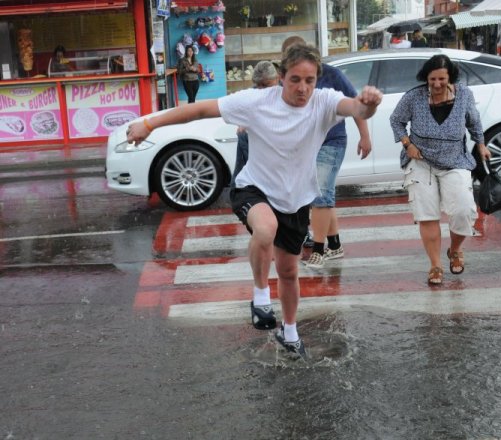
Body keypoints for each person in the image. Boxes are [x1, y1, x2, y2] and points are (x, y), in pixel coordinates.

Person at [127, 43, 383, 358]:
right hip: (253, 189)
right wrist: (149, 124)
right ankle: (260, 297)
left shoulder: (325, 101)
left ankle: (290, 333)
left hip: (296, 199)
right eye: (294, 80)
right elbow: (198, 110)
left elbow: (357, 110)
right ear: (281, 76)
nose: (302, 88)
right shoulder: (256, 102)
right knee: (265, 229)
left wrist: (368, 104)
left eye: (309, 80)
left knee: (289, 271)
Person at [389, 54, 491, 285]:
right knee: (427, 215)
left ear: (450, 78)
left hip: (455, 160)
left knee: (464, 211)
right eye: (432, 79)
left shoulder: (464, 94)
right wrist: (408, 145)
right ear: (426, 77)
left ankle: (454, 249)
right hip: (421, 161)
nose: (436, 84)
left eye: (441, 79)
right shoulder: (413, 97)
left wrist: (481, 145)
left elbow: (473, 121)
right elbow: (396, 120)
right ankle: (435, 265)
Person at [281, 36, 372, 270]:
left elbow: (355, 105)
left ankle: (319, 250)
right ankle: (335, 244)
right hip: (306, 144)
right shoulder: (286, 78)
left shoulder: (331, 75)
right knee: (321, 194)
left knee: (321, 194)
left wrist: (365, 136)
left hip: (331, 141)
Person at [231, 61, 280, 184]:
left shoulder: (287, 93)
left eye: (266, 84)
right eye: (259, 85)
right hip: (255, 143)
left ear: (277, 78)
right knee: (243, 136)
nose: (262, 89)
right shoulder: (253, 92)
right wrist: (244, 122)